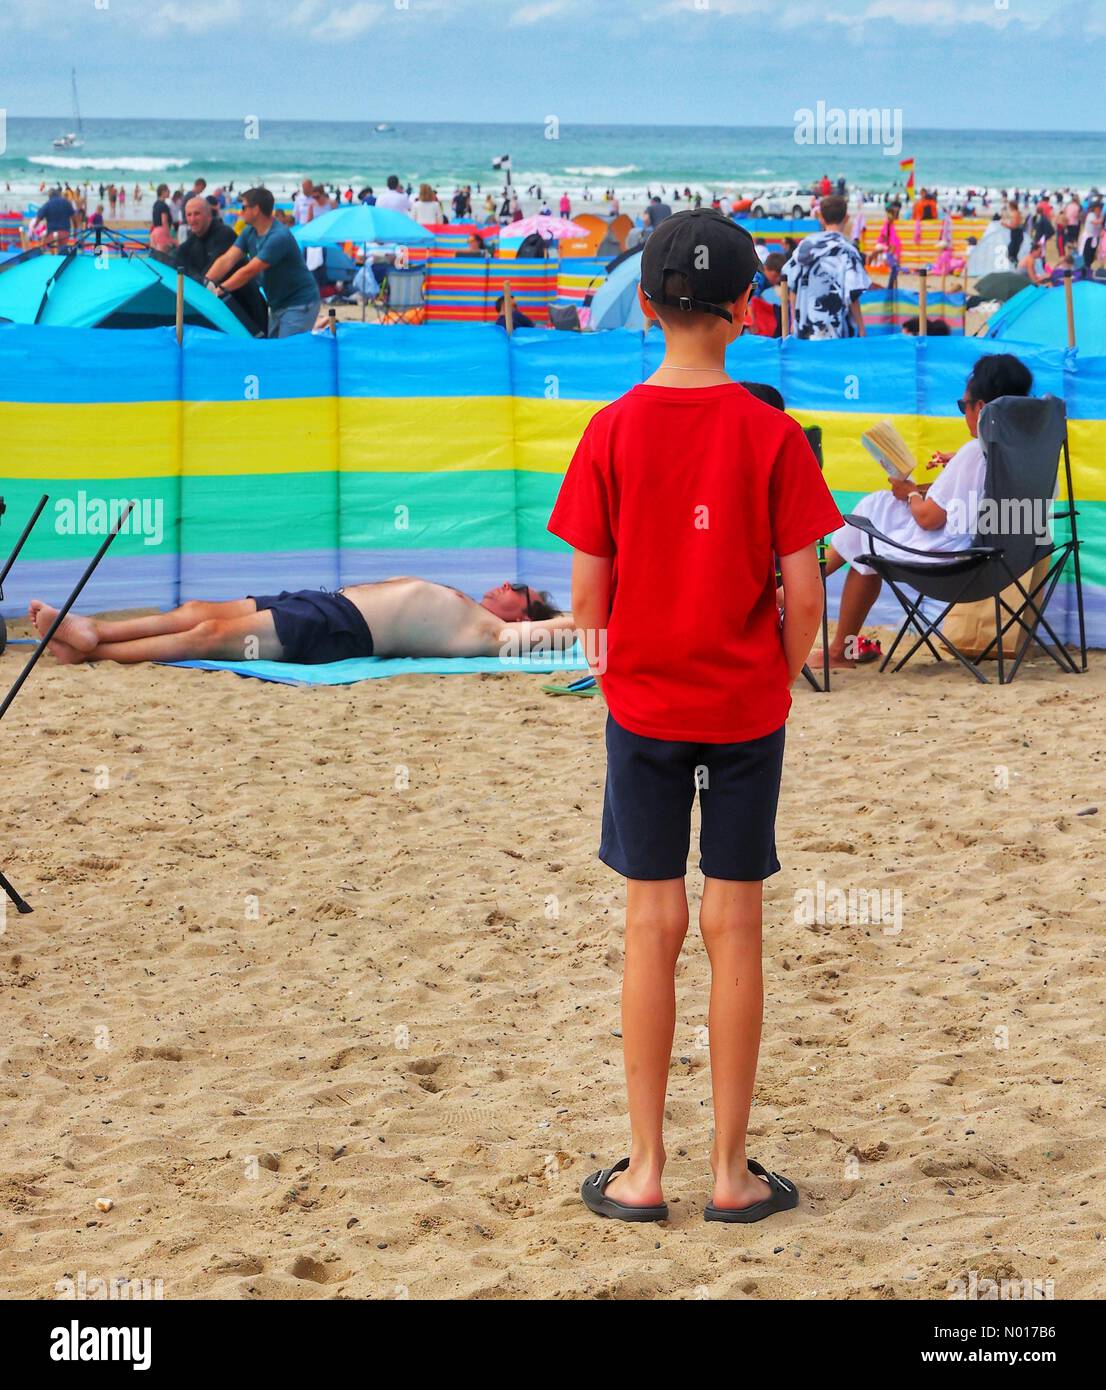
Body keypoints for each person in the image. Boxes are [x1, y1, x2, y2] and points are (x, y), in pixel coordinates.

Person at [548, 208, 840, 1223]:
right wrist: (772, 672)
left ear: (645, 302)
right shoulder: (769, 435)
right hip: (743, 707)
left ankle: (642, 1171)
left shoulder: (610, 429)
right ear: (747, 311)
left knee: (649, 922)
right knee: (735, 922)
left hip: (645, 703)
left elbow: (587, 595)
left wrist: (618, 659)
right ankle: (727, 1173)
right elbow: (803, 598)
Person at [818, 353, 1034, 667]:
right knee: (868, 530)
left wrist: (909, 493)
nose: (963, 414)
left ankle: (830, 634)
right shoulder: (1023, 450)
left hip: (950, 560)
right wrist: (953, 468)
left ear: (983, 409)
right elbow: (986, 500)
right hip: (1011, 554)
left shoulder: (975, 452)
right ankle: (810, 586)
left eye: (964, 406)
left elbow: (930, 519)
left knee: (870, 517)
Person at [29, 578, 573, 667]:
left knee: (209, 637)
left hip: (342, 631)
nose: (504, 586)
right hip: (327, 602)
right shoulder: (473, 609)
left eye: (515, 592)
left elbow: (574, 625)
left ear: (525, 616)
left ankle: (91, 647)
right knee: (197, 611)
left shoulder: (493, 634)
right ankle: (95, 629)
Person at [204, 186, 321, 338]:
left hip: (299, 303)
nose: (241, 211)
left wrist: (221, 289)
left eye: (244, 207)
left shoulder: (278, 237)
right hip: (277, 304)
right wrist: (206, 282)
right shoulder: (249, 232)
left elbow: (250, 270)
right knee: (273, 351)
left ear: (256, 209)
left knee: (286, 353)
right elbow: (228, 259)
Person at [176, 196, 268, 335]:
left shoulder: (225, 234)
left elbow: (214, 271)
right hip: (220, 312)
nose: (192, 219)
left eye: (197, 214)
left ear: (208, 215)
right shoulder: (188, 245)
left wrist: (199, 286)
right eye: (189, 215)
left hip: (246, 307)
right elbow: (177, 264)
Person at [782, 194, 871, 339]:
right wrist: (861, 327)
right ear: (847, 218)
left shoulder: (804, 247)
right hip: (836, 334)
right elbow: (853, 293)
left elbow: (791, 284)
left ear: (821, 218)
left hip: (804, 332)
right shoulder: (848, 251)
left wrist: (794, 320)